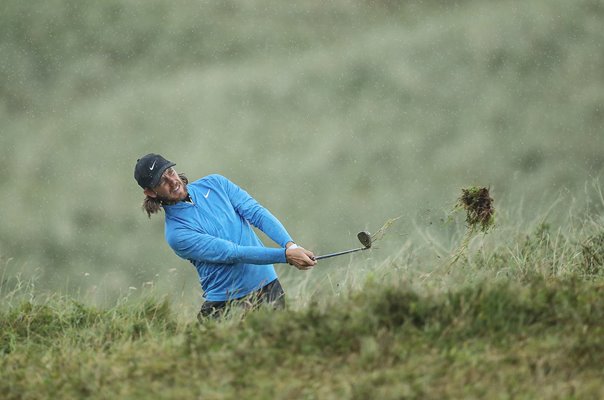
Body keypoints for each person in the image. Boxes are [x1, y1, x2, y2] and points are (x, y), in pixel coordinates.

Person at [134, 153, 317, 319]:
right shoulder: (177, 233)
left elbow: (256, 213)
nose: (172, 181)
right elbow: (232, 253)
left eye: (170, 172)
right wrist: (285, 256)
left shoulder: (215, 184)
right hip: (226, 304)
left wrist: (290, 246)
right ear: (150, 192)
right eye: (161, 181)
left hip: (268, 288)